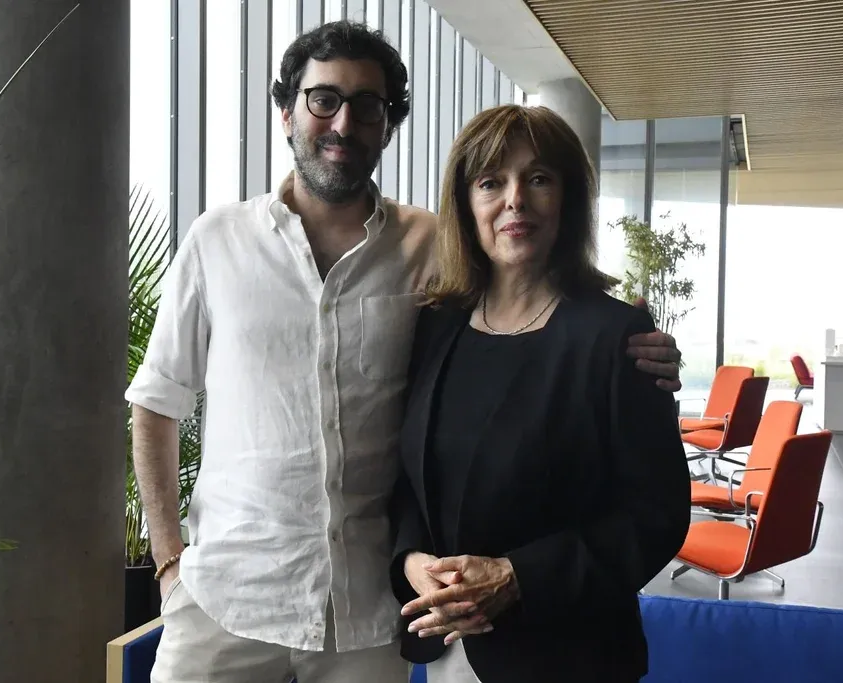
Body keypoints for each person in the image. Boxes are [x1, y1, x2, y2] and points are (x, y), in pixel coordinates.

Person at [125, 20, 683, 683]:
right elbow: (156, 402)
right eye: (324, 99)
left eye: (368, 105)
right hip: (226, 596)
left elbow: (535, 307)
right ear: (286, 112)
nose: (343, 122)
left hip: (368, 616)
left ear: (387, 127)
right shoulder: (217, 242)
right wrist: (169, 564)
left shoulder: (430, 252)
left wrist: (636, 344)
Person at [389, 104, 692, 683]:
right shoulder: (436, 324)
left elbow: (655, 515)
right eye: (490, 182)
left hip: (568, 654)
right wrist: (411, 560)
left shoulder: (616, 337)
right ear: (466, 204)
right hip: (448, 645)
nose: (515, 200)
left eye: (538, 178)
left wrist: (517, 576)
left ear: (567, 199)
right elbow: (410, 476)